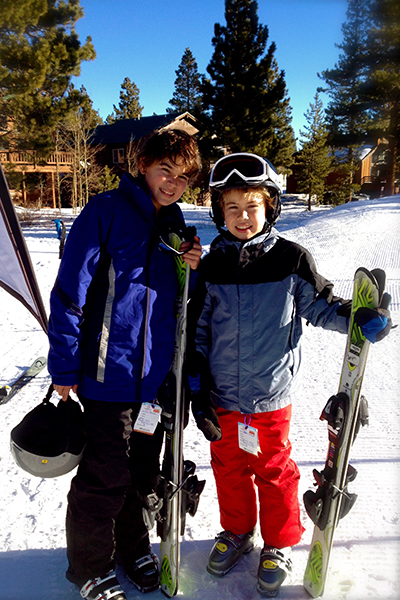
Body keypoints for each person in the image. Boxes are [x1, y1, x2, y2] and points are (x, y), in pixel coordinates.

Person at [188, 152, 392, 597]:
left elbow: (320, 307)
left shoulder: (290, 259)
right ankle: (238, 531)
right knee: (228, 467)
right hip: (223, 396)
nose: (243, 217)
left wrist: (358, 317)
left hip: (268, 395)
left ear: (271, 207)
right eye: (233, 208)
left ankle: (278, 543)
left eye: (252, 207)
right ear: (219, 212)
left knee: (274, 469)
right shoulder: (211, 266)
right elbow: (198, 331)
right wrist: (197, 386)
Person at [47, 128, 202, 600]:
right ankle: (90, 568)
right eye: (164, 171)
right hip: (105, 377)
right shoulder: (106, 212)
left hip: (151, 384)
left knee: (141, 473)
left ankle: (133, 547)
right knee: (103, 476)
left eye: (181, 177)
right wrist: (64, 369)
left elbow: (180, 307)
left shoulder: (177, 228)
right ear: (142, 167)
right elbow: (70, 293)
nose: (172, 183)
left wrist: (193, 263)